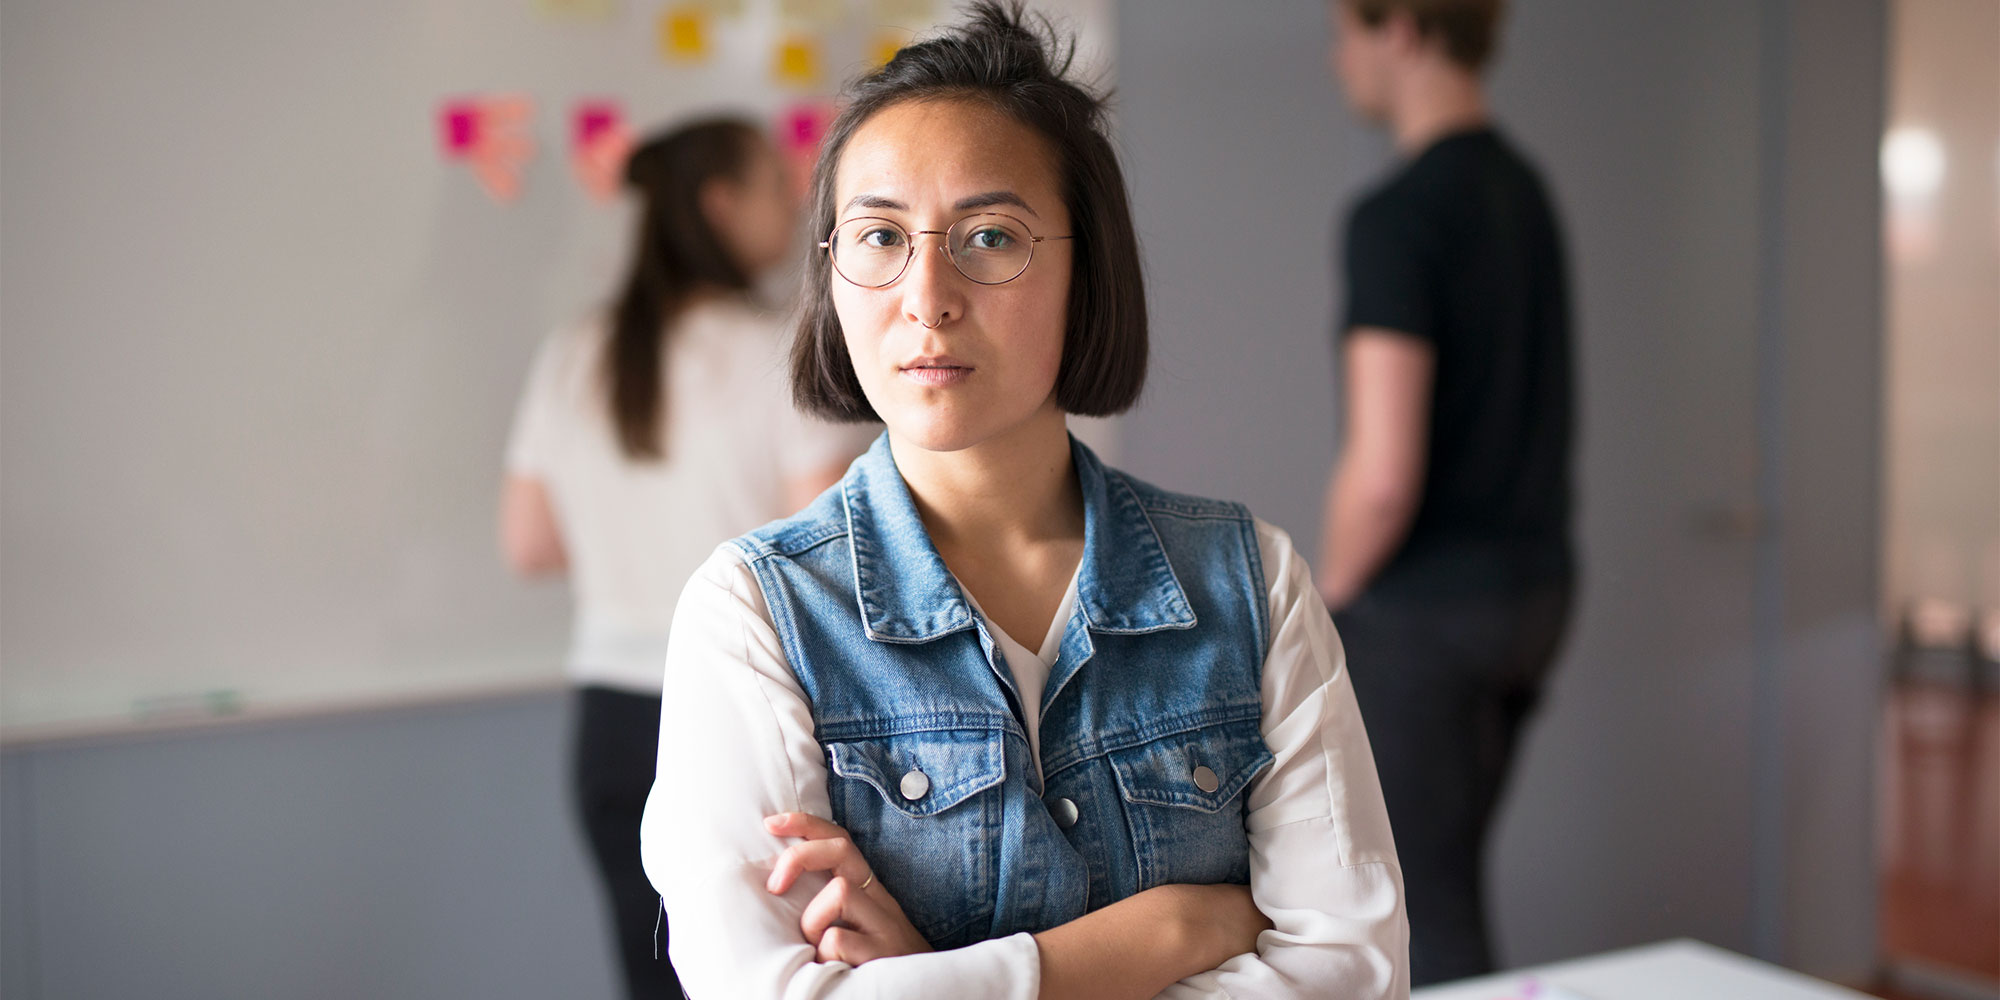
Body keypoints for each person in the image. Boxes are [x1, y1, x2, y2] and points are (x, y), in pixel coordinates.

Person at [640, 5, 1409, 998]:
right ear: (829, 271)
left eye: (989, 235)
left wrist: (933, 978)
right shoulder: (753, 613)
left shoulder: (1248, 580)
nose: (925, 294)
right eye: (877, 235)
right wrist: (1173, 930)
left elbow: (1352, 973)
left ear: (1084, 267)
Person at [499, 119, 867, 999]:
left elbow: (529, 544)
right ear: (720, 204)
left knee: (650, 974)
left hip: (609, 722)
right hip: (742, 712)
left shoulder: (574, 352)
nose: (795, 205)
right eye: (779, 188)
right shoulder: (781, 348)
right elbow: (828, 552)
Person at [1316, 0, 1577, 985]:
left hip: (1430, 619)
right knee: (1448, 876)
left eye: (1346, 29)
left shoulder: (1397, 216)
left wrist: (1327, 606)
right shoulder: (1525, 191)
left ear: (1404, 30)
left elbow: (1381, 475)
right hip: (1534, 596)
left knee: (1420, 908)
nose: (1336, 57)